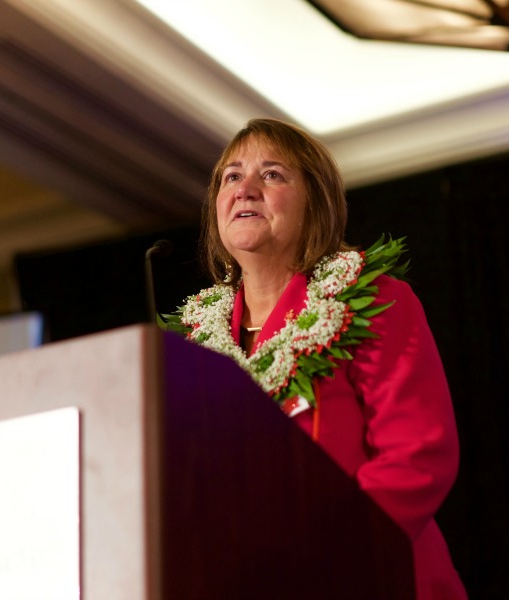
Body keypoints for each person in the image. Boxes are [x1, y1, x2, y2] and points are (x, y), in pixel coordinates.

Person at [167, 118, 467, 599]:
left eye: (271, 175)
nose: (245, 189)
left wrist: (322, 550)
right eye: (230, 177)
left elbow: (417, 455)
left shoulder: (371, 302)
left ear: (315, 203)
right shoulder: (190, 348)